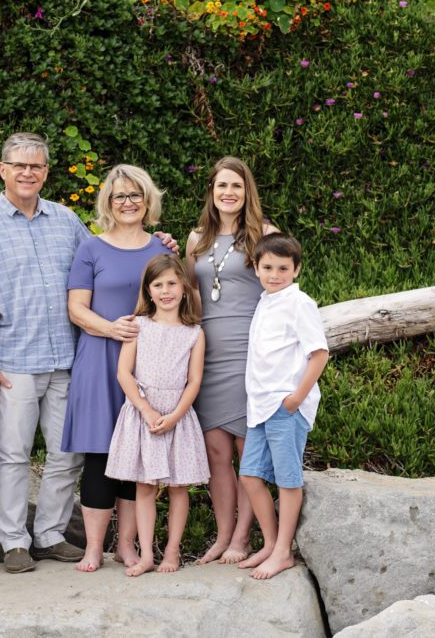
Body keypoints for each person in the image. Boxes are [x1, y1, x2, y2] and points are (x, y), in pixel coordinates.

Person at [0, 133, 177, 574]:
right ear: (3, 169)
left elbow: (114, 251)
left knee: (68, 454)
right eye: (19, 166)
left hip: (66, 358)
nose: (28, 173)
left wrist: (164, 242)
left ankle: (50, 535)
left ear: (46, 172)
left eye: (36, 166)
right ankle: (14, 541)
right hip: (14, 361)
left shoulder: (66, 221)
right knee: (14, 452)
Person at [62, 165, 170, 573]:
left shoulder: (162, 249)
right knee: (99, 454)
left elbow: (176, 300)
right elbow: (76, 308)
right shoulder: (91, 248)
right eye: (119, 196)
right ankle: (93, 549)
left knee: (136, 456)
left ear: (148, 200)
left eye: (135, 195)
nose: (128, 202)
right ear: (108, 202)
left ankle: (126, 546)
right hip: (98, 359)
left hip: (146, 365)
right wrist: (111, 328)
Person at [184, 157, 279, 564]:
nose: (228, 193)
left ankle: (243, 537)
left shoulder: (265, 234)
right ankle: (222, 536)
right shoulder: (196, 240)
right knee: (216, 453)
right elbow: (186, 295)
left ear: (247, 192)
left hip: (250, 353)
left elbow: (280, 294)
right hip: (208, 352)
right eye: (222, 185)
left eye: (236, 187)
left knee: (247, 450)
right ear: (212, 191)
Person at [105, 254, 210, 577]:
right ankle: (147, 552)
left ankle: (173, 550)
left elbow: (194, 381)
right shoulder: (138, 325)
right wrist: (146, 409)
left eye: (172, 284)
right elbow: (124, 373)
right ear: (149, 291)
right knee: (145, 486)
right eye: (158, 285)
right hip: (143, 413)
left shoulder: (194, 333)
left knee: (178, 487)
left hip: (178, 415)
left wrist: (176, 414)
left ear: (184, 287)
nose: (166, 291)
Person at [238, 233, 329, 580]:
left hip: (284, 405)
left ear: (296, 269)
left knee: (287, 481)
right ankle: (271, 543)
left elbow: (319, 354)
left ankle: (283, 551)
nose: (274, 274)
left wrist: (295, 399)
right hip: (259, 406)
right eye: (267, 267)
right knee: (249, 475)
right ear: (257, 268)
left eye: (283, 268)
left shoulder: (299, 302)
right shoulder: (265, 301)